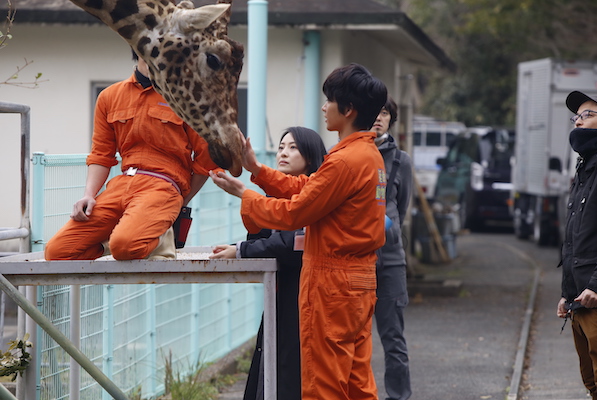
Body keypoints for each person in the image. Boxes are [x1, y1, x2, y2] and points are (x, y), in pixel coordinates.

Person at [209, 63, 388, 400]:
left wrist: (244, 194)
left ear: (348, 110)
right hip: (359, 281)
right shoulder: (369, 156)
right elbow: (309, 187)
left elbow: (297, 211)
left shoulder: (345, 161)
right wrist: (259, 172)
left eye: (329, 100)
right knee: (356, 382)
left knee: (324, 384)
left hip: (332, 284)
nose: (323, 107)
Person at [44, 50, 219, 261]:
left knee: (125, 247)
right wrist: (89, 195)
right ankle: (116, 244)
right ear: (137, 47)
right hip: (121, 184)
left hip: (163, 187)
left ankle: (157, 237)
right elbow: (101, 154)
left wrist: (180, 201)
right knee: (57, 252)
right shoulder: (110, 96)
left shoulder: (188, 97)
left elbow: (206, 160)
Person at [210, 127, 327, 400]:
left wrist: (240, 250)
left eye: (293, 147)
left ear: (311, 156)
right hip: (282, 293)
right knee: (275, 360)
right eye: (281, 147)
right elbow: (263, 238)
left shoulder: (314, 193)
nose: (283, 152)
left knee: (291, 366)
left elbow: (290, 245)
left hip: (304, 295)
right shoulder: (279, 194)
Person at [557, 90, 597, 400]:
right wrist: (566, 292)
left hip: (596, 296)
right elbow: (576, 239)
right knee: (591, 381)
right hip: (579, 297)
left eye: (589, 115)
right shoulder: (585, 168)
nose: (579, 122)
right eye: (577, 116)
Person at [372, 96, 413, 400]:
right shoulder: (347, 154)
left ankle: (398, 396)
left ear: (391, 118)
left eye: (384, 112)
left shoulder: (401, 161)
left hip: (390, 261)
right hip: (356, 259)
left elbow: (401, 207)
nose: (378, 117)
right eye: (374, 111)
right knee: (349, 337)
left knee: (393, 337)